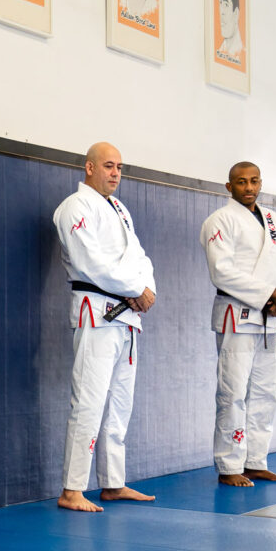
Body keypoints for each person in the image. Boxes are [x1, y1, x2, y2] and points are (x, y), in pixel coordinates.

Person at [52, 142, 157, 513]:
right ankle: (72, 490)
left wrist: (146, 288)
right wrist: (135, 289)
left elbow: (140, 257)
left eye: (119, 167)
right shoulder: (74, 207)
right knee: (89, 400)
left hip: (127, 316)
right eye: (109, 165)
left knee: (119, 402)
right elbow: (90, 262)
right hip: (97, 310)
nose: (115, 173)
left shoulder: (119, 208)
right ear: (90, 167)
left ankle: (113, 482)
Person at [199, 162, 276, 487]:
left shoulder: (273, 219)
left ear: (261, 183)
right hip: (237, 314)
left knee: (267, 392)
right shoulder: (219, 220)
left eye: (254, 181)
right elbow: (221, 271)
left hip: (270, 317)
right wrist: (270, 293)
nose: (249, 187)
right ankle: (229, 465)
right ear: (229, 187)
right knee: (233, 391)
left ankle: (255, 461)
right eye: (241, 182)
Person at [216, 0, 245, 64]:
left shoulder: (242, 53)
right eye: (220, 2)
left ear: (236, 14)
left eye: (226, 4)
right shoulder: (221, 50)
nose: (221, 12)